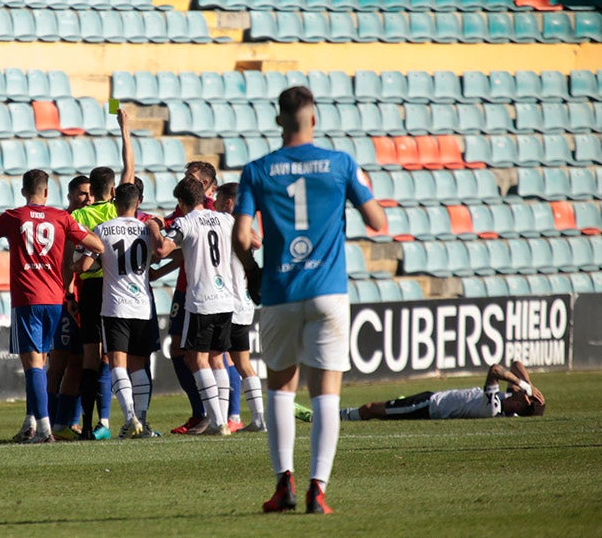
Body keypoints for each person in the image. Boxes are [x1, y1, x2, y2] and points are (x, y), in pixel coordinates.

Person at [233, 86, 386, 514]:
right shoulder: (340, 164)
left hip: (280, 291)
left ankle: (284, 486)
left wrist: (254, 271)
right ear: (314, 120)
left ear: (279, 119)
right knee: (326, 394)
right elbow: (377, 221)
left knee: (281, 389)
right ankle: (318, 490)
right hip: (328, 291)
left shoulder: (258, 170)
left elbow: (241, 236)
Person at [0, 169, 104, 444]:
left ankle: (44, 429)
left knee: (33, 364)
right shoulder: (61, 217)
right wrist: (80, 263)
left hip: (27, 299)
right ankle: (31, 422)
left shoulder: (14, 216)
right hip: (55, 299)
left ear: (24, 191)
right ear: (47, 192)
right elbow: (97, 245)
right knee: (41, 363)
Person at [66, 110, 136, 440]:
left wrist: (69, 290)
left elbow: (71, 259)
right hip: (117, 286)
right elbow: (130, 170)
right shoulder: (117, 210)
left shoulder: (79, 213)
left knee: (91, 357)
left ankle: (87, 423)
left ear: (90, 189)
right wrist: (125, 130)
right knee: (114, 355)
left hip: (89, 289)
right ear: (113, 189)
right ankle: (106, 423)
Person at [76, 182, 162, 439]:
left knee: (117, 363)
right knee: (138, 365)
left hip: (115, 306)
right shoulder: (147, 229)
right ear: (138, 203)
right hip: (143, 306)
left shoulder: (102, 230)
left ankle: (129, 419)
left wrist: (88, 263)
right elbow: (163, 254)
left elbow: (83, 266)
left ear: (114, 201)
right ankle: (143, 421)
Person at [153, 176, 236, 436]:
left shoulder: (185, 221)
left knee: (196, 358)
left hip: (201, 299)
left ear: (182, 202)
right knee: (217, 358)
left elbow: (162, 250)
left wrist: (154, 227)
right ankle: (221, 420)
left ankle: (217, 421)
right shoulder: (225, 219)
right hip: (226, 297)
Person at [160, 161, 221, 435]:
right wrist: (160, 270)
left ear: (206, 185)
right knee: (181, 350)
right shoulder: (185, 209)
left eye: (192, 178)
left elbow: (170, 245)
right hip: (186, 288)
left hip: (202, 290)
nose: (187, 181)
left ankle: (218, 414)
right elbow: (183, 247)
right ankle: (204, 413)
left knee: (211, 357)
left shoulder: (208, 211)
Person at [214, 182, 265, 432]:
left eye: (217, 199)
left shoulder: (223, 223)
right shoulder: (241, 229)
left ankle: (222, 420)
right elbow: (257, 242)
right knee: (243, 363)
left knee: (217, 359)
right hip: (244, 304)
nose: (213, 204)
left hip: (225, 303)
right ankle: (258, 420)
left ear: (228, 203)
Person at [341, 361, 545, 421]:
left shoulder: (494, 406)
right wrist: (529, 384)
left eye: (526, 395)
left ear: (523, 403)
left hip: (428, 407)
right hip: (431, 399)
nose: (523, 391)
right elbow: (516, 364)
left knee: (370, 409)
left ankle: (335, 416)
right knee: (377, 412)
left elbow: (496, 370)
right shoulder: (510, 401)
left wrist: (527, 387)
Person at [47, 175, 92, 440]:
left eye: (89, 194)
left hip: (81, 302)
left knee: (77, 362)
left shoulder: (85, 223)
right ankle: (47, 421)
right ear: (70, 196)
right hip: (64, 300)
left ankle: (67, 421)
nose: (86, 199)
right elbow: (62, 264)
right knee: (58, 364)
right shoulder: (62, 222)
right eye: (81, 194)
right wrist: (67, 294)